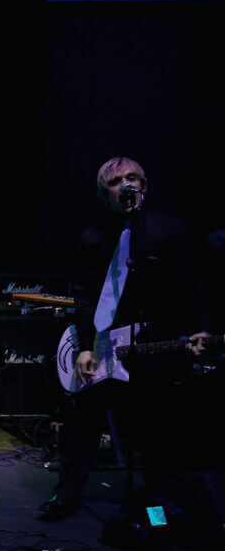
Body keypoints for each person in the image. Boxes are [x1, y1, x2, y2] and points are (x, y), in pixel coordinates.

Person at [38, 156, 209, 521]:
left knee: (155, 432)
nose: (127, 185)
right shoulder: (93, 237)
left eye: (133, 179)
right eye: (117, 181)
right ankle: (65, 496)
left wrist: (199, 326)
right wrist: (85, 345)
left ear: (143, 186)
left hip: (151, 343)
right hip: (102, 344)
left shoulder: (169, 230)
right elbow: (82, 294)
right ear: (105, 194)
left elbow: (190, 284)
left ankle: (157, 512)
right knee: (83, 426)